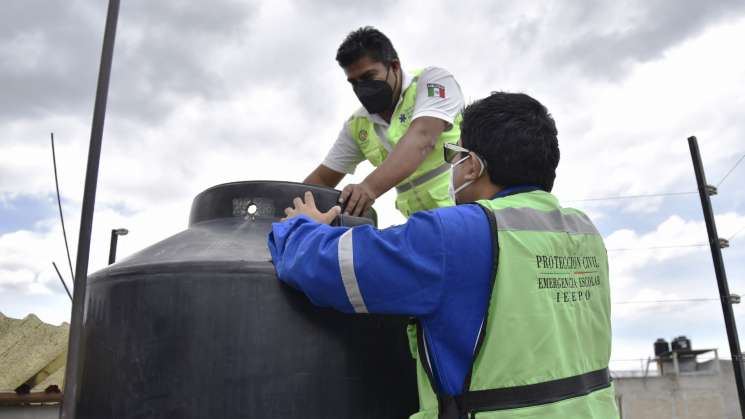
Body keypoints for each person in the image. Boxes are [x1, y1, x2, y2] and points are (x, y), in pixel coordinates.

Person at [269, 92, 619, 418]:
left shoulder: (457, 233)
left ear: (472, 166)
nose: (452, 168)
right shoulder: (584, 232)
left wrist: (300, 227)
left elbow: (330, 267)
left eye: (455, 154)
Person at [304, 26, 465, 218]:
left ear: (395, 66)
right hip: (423, 227)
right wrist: (284, 211)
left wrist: (368, 188)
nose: (361, 88)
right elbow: (322, 179)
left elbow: (422, 138)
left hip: (466, 212)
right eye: (353, 82)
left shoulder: (432, 81)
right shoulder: (358, 125)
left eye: (368, 77)